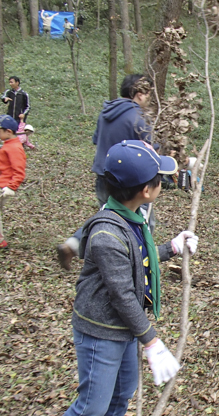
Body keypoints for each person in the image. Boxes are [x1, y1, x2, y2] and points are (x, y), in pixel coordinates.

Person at [46, 140, 198, 416]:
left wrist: (171, 247)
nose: (162, 183)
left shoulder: (132, 217)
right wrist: (152, 342)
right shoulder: (106, 233)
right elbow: (123, 295)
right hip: (100, 331)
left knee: (122, 392)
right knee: (92, 406)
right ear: (145, 190)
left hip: (124, 329)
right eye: (158, 179)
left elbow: (136, 258)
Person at [57, 74, 154, 271]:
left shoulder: (106, 112)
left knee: (106, 216)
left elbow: (96, 139)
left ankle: (73, 245)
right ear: (139, 93)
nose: (150, 98)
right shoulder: (138, 118)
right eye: (148, 93)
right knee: (144, 221)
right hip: (129, 182)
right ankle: (135, 263)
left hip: (103, 174)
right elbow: (151, 150)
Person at [0, 115, 27, 251]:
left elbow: (19, 171)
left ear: (8, 132)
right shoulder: (8, 144)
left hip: (2, 185)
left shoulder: (14, 147)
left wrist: (12, 186)